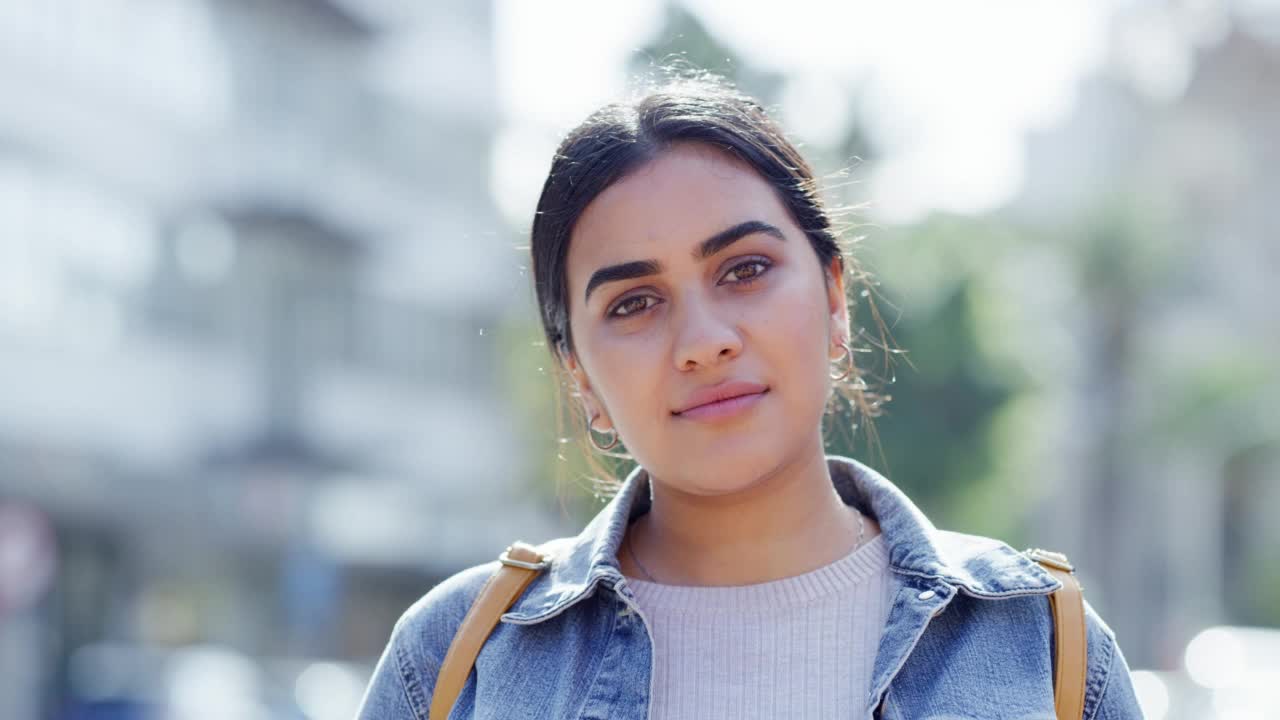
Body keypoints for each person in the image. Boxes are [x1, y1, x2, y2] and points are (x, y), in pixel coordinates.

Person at [356, 75, 1145, 719]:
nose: (703, 340)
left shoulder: (1040, 645)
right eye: (633, 303)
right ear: (581, 379)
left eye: (745, 269)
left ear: (835, 300)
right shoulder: (459, 661)